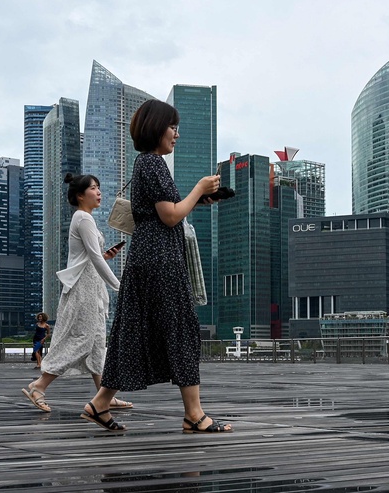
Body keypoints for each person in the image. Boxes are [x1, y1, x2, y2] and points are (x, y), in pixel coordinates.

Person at [81, 99, 232, 434]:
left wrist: (202, 197)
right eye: (172, 126)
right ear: (156, 128)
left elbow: (167, 210)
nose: (176, 134)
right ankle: (194, 414)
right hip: (161, 259)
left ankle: (100, 404)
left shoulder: (146, 164)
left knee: (136, 330)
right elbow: (170, 215)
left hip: (147, 257)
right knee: (181, 329)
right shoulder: (152, 164)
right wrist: (199, 189)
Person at [22, 174, 132, 413]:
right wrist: (119, 285)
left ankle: (104, 395)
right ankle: (39, 386)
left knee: (95, 344)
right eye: (93, 188)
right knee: (82, 340)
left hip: (91, 285)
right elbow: (92, 257)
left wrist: (105, 257)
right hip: (84, 289)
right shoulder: (83, 218)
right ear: (80, 195)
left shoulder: (85, 219)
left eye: (99, 187)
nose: (99, 192)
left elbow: (91, 257)